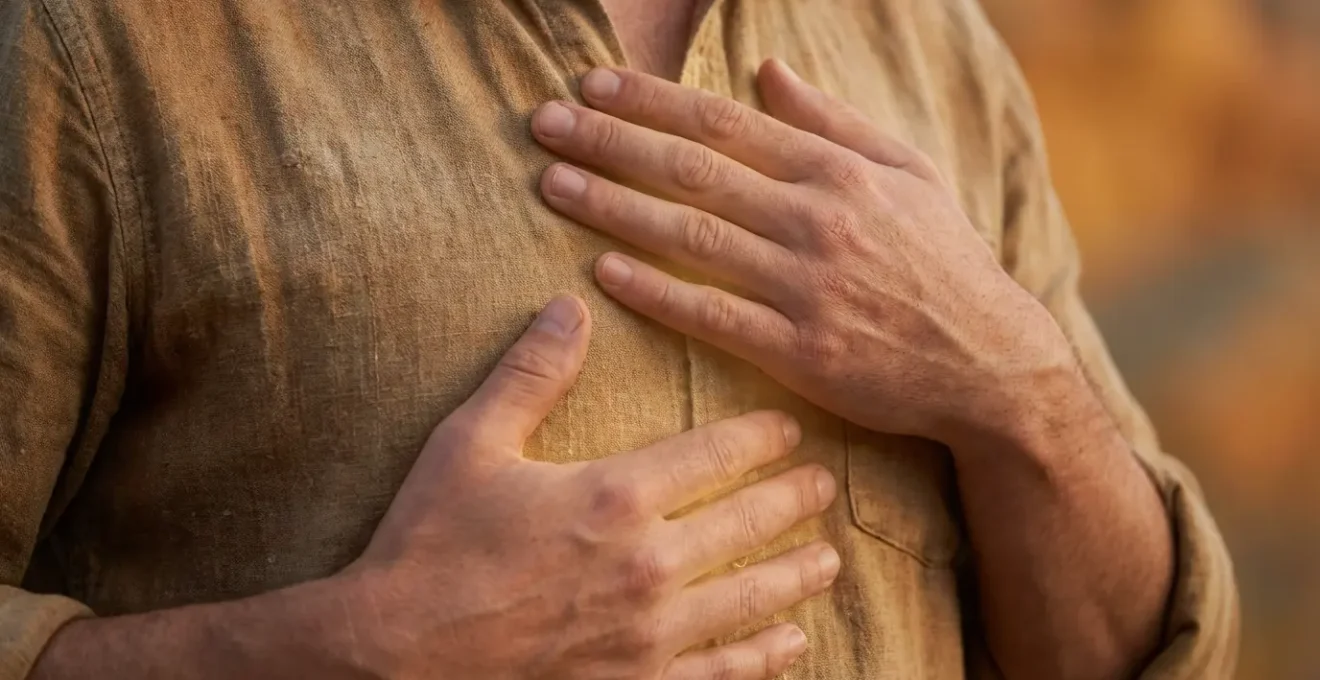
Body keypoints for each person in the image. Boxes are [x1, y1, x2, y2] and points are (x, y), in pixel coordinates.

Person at [0, 0, 1238, 678]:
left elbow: (1151, 656)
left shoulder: (935, 45)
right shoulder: (94, 39)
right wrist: (335, 657)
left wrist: (1014, 384)